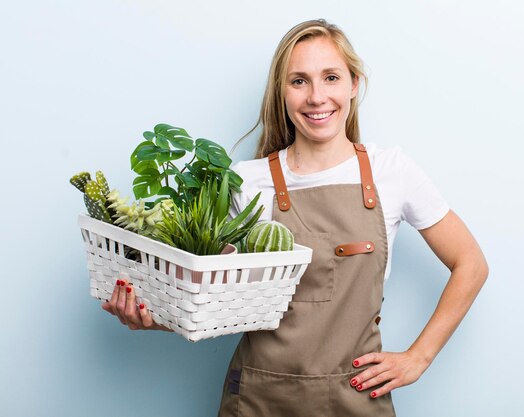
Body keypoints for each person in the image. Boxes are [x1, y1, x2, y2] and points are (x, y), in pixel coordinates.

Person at [102, 19, 489, 417]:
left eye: (331, 77)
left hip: (355, 398)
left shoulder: (392, 172)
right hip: (257, 399)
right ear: (281, 93)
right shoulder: (246, 183)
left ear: (354, 85)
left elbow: (471, 264)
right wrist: (151, 318)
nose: (317, 97)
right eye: (299, 81)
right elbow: (214, 301)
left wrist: (419, 358)